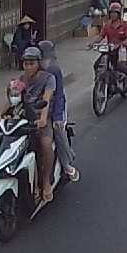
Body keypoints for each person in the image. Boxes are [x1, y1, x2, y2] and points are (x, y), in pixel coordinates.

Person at [17, 46, 58, 202]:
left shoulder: (48, 78)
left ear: (38, 64)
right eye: (26, 64)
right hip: (25, 119)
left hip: (41, 119)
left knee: (45, 144)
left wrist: (43, 118)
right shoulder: (20, 80)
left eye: (31, 63)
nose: (28, 67)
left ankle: (46, 182)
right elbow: (13, 99)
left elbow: (46, 99)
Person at [38, 40, 78, 183]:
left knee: (58, 130)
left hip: (56, 107)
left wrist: (57, 117)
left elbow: (59, 94)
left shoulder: (53, 69)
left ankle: (67, 163)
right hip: (39, 108)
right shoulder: (35, 69)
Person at [100, 2, 127, 79]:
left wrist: (123, 43)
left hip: (122, 49)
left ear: (119, 14)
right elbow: (101, 36)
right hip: (110, 49)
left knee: (119, 65)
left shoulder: (125, 24)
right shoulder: (107, 25)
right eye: (111, 13)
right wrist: (92, 43)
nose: (113, 15)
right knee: (98, 64)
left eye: (115, 13)